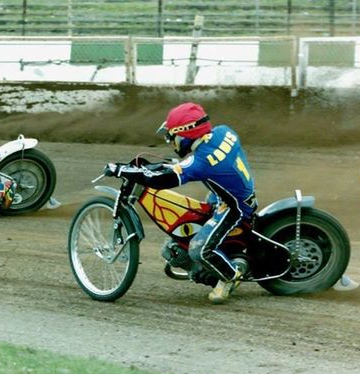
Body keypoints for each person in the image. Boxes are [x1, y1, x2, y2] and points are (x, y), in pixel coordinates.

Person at [104, 102, 257, 304]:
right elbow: (187, 165)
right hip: (232, 193)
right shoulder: (223, 132)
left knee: (198, 249)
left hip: (234, 207)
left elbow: (163, 180)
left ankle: (230, 275)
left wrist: (121, 170)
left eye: (172, 136)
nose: (171, 141)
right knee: (193, 220)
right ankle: (217, 257)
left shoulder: (202, 162)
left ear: (185, 134)